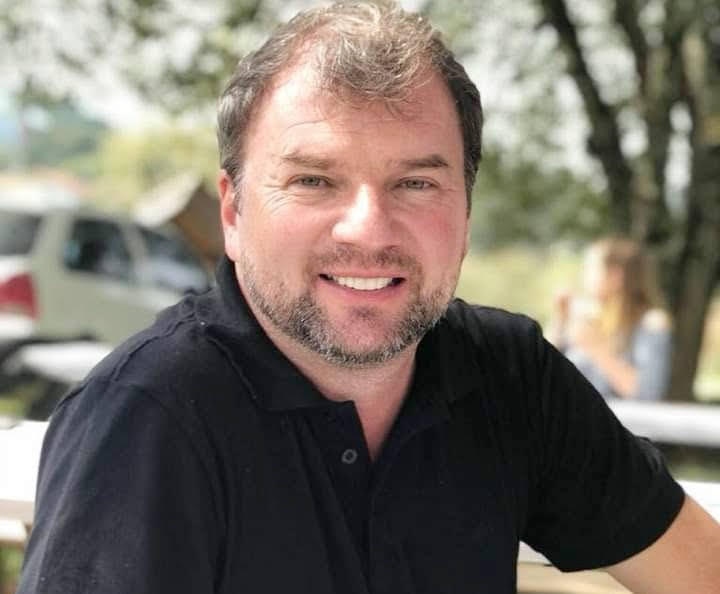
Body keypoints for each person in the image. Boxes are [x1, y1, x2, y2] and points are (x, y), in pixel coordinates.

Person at [17, 2, 720, 593]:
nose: (369, 228)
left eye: (415, 183)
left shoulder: (509, 378)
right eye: (314, 181)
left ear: (465, 214)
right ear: (232, 212)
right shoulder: (149, 417)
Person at [548, 237, 673, 400]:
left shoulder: (652, 323)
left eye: (591, 269)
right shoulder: (589, 317)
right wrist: (560, 319)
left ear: (615, 276)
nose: (584, 277)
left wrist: (597, 348)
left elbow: (647, 393)